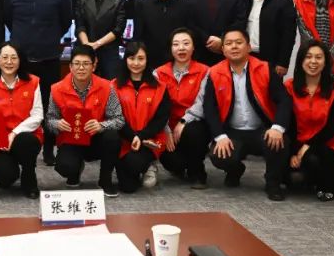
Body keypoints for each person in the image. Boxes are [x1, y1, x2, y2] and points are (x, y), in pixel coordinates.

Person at [200, 29, 294, 201]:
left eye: (239, 42)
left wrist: (277, 127)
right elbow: (209, 108)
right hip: (233, 132)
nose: (234, 47)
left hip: (262, 130)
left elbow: (284, 100)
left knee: (279, 142)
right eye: (229, 43)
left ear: (249, 47)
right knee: (218, 154)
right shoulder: (214, 72)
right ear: (223, 49)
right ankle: (235, 170)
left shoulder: (264, 68)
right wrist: (220, 136)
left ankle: (273, 183)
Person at [5, 0, 72, 165]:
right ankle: (21, 145)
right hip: (21, 61)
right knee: (20, 105)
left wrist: (49, 37)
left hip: (48, 58)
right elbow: (8, 19)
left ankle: (49, 147)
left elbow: (65, 21)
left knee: (49, 105)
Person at [46, 45, 124, 196]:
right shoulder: (57, 89)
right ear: (70, 66)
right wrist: (57, 124)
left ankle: (105, 179)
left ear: (94, 66)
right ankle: (75, 171)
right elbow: (50, 119)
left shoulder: (107, 87)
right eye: (77, 63)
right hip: (71, 140)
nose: (81, 68)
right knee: (65, 167)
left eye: (86, 64)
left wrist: (101, 125)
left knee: (112, 137)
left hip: (96, 139)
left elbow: (119, 119)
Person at [0, 42, 43, 199]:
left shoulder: (33, 82)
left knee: (27, 141)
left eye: (14, 57)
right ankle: (9, 167)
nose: (9, 62)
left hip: (24, 137)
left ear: (20, 60)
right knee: (5, 179)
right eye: (4, 57)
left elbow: (37, 115)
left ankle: (29, 177)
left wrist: (14, 133)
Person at [284, 40, 334, 201]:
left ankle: (326, 184)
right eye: (308, 57)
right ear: (301, 61)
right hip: (298, 144)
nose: (313, 61)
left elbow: (332, 127)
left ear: (326, 62)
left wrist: (308, 146)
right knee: (293, 181)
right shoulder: (289, 87)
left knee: (313, 158)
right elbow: (289, 124)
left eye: (319, 57)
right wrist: (293, 152)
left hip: (330, 145)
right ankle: (315, 180)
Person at [155, 28, 211, 188]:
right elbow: (156, 106)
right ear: (170, 48)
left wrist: (184, 121)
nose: (181, 48)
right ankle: (182, 166)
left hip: (193, 124)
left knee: (194, 132)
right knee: (171, 161)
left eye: (186, 43)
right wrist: (166, 129)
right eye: (176, 44)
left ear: (193, 47)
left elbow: (203, 102)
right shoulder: (159, 73)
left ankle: (197, 172)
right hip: (167, 126)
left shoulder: (205, 71)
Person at [112, 41, 170, 193]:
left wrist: (141, 136)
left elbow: (161, 119)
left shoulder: (160, 87)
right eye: (131, 58)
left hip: (150, 140)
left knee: (133, 163)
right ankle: (130, 168)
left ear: (147, 60)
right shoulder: (114, 86)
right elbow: (114, 116)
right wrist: (132, 137)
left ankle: (149, 164)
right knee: (128, 188)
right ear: (125, 59)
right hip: (124, 140)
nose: (136, 63)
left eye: (141, 58)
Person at [74, 0, 128, 79]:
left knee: (110, 87)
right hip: (85, 52)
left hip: (109, 53)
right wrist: (87, 45)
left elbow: (118, 29)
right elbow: (80, 25)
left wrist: (97, 44)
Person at [132, 0, 192, 72]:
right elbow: (138, 35)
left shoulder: (185, 3)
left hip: (178, 58)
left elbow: (189, 32)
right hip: (150, 60)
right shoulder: (142, 3)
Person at [244, 0, 297, 76]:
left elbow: (288, 35)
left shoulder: (283, 2)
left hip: (271, 59)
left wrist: (283, 62)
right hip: (246, 56)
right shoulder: (245, 0)